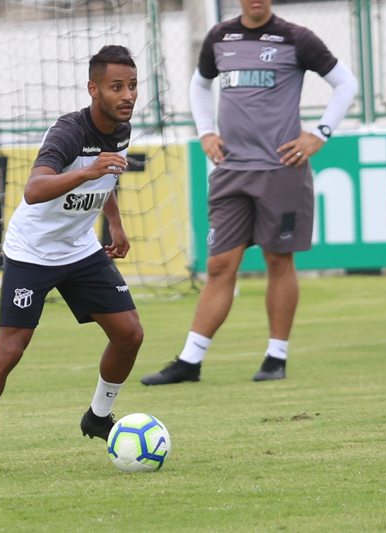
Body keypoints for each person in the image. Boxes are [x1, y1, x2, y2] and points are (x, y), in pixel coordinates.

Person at [140, 0, 357, 385]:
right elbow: (199, 84)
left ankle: (276, 357)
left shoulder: (297, 38)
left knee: (278, 261)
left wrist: (320, 133)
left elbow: (346, 83)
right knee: (219, 266)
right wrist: (206, 131)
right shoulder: (219, 37)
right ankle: (190, 361)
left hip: (281, 170)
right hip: (231, 171)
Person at [0, 45, 143, 474]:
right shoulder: (68, 133)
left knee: (129, 334)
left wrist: (114, 223)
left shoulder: (121, 126)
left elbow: (106, 173)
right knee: (11, 348)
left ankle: (97, 416)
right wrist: (88, 171)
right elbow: (34, 190)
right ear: (93, 89)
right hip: (32, 253)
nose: (127, 95)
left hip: (79, 249)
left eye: (132, 86)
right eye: (117, 87)